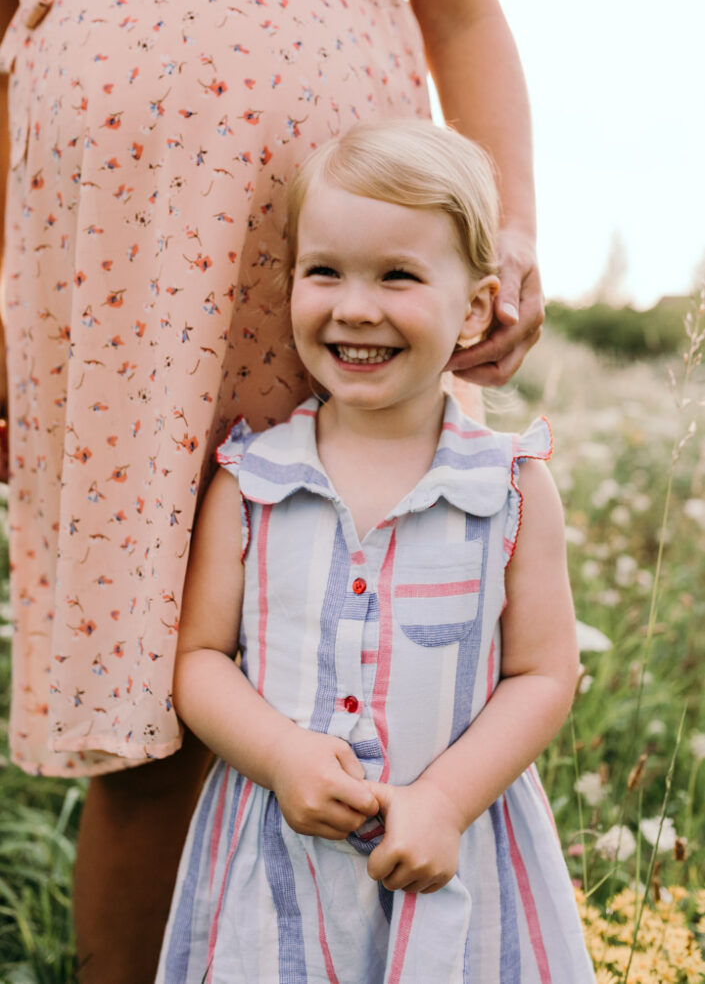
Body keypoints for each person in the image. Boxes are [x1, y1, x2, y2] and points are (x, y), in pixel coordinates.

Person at [0, 0, 545, 979]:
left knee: (379, 671)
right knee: (145, 710)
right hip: (105, 269)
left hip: (332, 213)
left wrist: (510, 228)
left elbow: (465, 11)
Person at [155, 120, 595, 983]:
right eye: (325, 272)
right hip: (279, 871)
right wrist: (278, 754)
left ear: (474, 307)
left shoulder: (507, 487)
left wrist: (442, 801)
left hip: (454, 857)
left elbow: (545, 673)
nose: (355, 307)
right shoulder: (250, 481)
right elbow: (200, 659)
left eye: (397, 275)